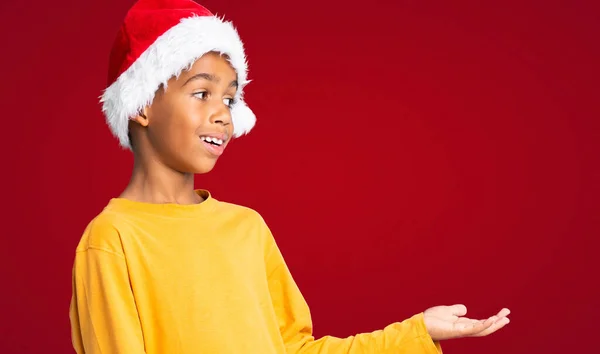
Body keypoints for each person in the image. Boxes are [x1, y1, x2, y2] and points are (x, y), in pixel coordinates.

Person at [69, 0, 511, 353]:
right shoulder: (112, 241)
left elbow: (295, 349)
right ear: (142, 103)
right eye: (202, 93)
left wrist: (414, 334)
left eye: (229, 98)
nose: (222, 114)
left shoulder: (247, 228)